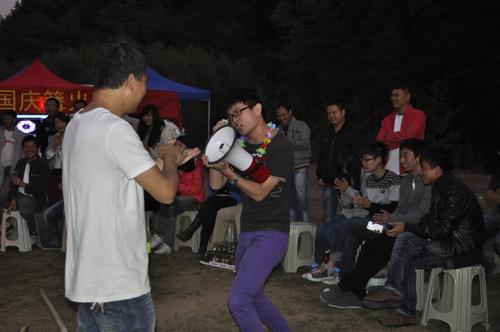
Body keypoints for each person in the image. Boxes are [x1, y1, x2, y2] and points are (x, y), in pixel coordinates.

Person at [62, 37, 199, 331]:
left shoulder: (77, 124)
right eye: (146, 82)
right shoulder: (115, 128)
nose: (145, 91)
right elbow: (165, 193)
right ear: (132, 81)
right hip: (119, 285)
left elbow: (126, 177)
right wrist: (171, 158)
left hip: (90, 284)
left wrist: (164, 160)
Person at [361, 147, 484, 327]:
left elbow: (440, 229)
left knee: (405, 250)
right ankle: (398, 298)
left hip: (460, 248)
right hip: (446, 240)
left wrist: (407, 227)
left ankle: (403, 306)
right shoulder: (440, 188)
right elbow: (429, 221)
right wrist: (405, 228)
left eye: (424, 168)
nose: (421, 173)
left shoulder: (455, 191)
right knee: (404, 242)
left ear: (437, 169)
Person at [203, 86, 294, 332]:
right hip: (248, 230)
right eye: (230, 116)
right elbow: (215, 183)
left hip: (272, 232)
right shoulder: (238, 144)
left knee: (239, 300)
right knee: (254, 297)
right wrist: (216, 148)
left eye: (238, 113)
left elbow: (261, 192)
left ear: (257, 109)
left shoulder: (280, 146)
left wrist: (231, 173)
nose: (234, 120)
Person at [320, 138, 431, 309]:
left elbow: (401, 210)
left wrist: (383, 214)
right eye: (400, 156)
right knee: (353, 239)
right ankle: (345, 284)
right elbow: (397, 209)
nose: (401, 160)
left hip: (381, 226)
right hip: (377, 225)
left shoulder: (397, 180)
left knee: (349, 226)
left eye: (405, 156)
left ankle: (332, 268)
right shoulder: (399, 180)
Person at [306, 142, 400, 283]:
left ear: (378, 160)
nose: (363, 163)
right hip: (370, 225)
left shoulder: (392, 179)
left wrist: (369, 204)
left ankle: (331, 268)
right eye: (362, 160)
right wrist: (362, 201)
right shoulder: (369, 180)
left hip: (384, 227)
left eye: (366, 160)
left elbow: (394, 208)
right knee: (349, 239)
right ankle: (344, 280)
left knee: (347, 225)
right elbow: (368, 208)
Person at [303, 148, 368, 278]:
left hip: (361, 215)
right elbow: (343, 203)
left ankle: (336, 267)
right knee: (321, 230)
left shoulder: (364, 176)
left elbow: (365, 201)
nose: (344, 170)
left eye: (345, 167)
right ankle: (318, 265)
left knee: (332, 232)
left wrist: (348, 189)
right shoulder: (341, 177)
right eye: (341, 167)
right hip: (346, 213)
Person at [149, 135, 205, 255]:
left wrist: (176, 187)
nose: (177, 148)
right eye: (176, 145)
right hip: (178, 199)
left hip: (195, 200)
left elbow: (196, 189)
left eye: (180, 145)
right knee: (169, 203)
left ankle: (159, 235)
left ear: (187, 147)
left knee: (170, 200)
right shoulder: (174, 164)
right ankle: (167, 243)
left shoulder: (197, 164)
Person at [317, 101, 364, 222]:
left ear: (343, 112)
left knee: (351, 212)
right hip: (329, 181)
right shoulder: (327, 132)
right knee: (328, 215)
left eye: (334, 112)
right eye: (329, 113)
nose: (332, 116)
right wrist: (320, 175)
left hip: (347, 182)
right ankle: (328, 238)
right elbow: (321, 154)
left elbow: (357, 156)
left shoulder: (354, 132)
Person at [176, 175, 241, 259]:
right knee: (211, 213)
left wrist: (226, 176)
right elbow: (210, 186)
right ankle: (203, 249)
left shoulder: (234, 170)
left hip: (232, 200)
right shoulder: (216, 170)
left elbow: (234, 187)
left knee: (210, 202)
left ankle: (191, 232)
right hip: (216, 200)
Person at [2, 136, 51, 239]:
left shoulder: (43, 166)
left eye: (31, 147)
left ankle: (33, 229)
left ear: (37, 148)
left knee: (24, 204)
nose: (29, 150)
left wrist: (24, 185)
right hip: (19, 196)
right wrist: (13, 199)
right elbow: (13, 184)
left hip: (34, 198)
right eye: (26, 147)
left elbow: (44, 189)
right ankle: (7, 226)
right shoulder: (21, 163)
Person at [376, 84, 425, 175]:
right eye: (392, 96)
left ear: (407, 97)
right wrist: (404, 135)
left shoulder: (418, 115)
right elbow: (380, 141)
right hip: (387, 171)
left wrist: (389, 136)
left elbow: (410, 137)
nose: (393, 98)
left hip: (409, 172)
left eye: (397, 95)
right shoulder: (386, 120)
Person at [276, 101, 311, 222]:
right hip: (286, 170)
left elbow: (306, 144)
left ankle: (305, 234)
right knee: (289, 203)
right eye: (279, 115)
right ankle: (292, 233)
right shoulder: (278, 129)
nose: (282, 118)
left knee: (301, 202)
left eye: (284, 114)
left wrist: (287, 140)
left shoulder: (301, 126)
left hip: (300, 167)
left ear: (290, 112)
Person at [45, 112, 69, 206]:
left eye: (62, 122)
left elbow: (71, 155)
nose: (60, 125)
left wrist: (61, 144)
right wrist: (55, 144)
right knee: (52, 200)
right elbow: (47, 156)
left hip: (67, 173)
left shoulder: (72, 137)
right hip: (53, 173)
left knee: (66, 200)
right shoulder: (51, 138)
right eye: (57, 122)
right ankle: (53, 220)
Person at [0, 109, 25, 191]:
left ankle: (13, 203)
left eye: (8, 118)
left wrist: (20, 164)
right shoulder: (0, 132)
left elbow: (23, 151)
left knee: (15, 189)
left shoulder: (21, 135)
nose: (6, 121)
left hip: (13, 165)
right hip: (1, 164)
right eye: (4, 119)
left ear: (14, 120)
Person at [481, 166, 500, 274]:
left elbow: (496, 191)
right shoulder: (498, 171)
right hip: (498, 214)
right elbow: (489, 195)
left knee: (499, 242)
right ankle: (484, 269)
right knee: (474, 227)